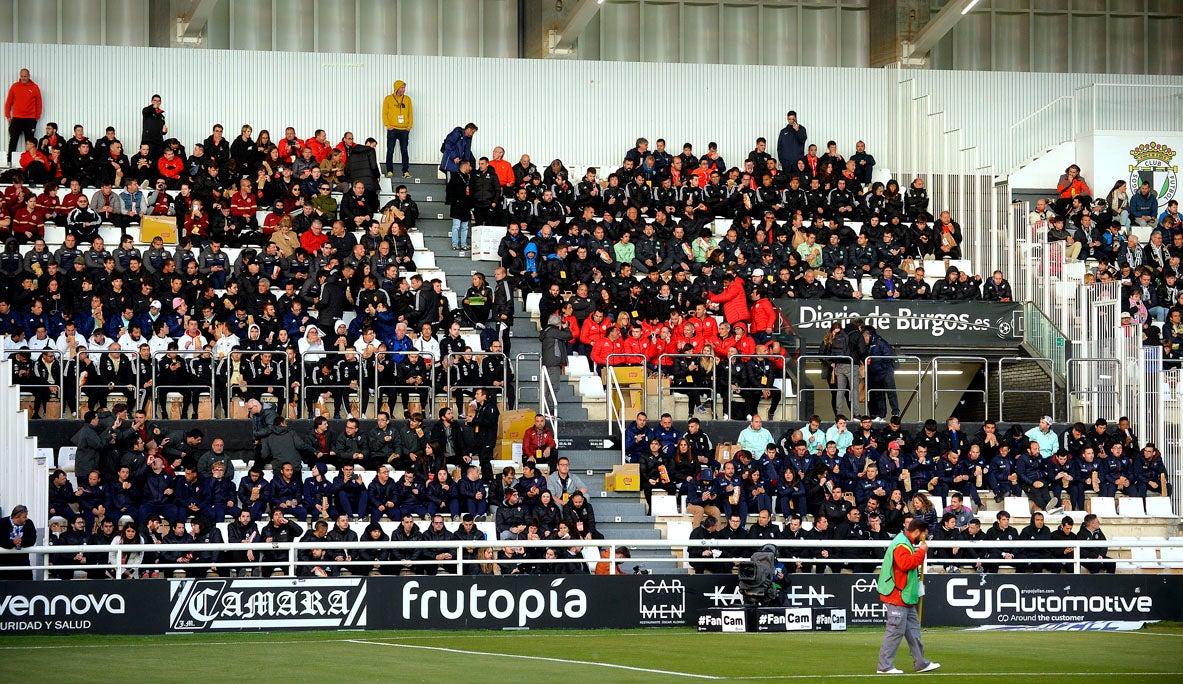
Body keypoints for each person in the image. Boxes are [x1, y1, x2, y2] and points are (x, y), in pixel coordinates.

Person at [876, 518, 939, 675]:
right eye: (923, 535)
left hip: (905, 595)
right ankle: (884, 666)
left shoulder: (904, 541)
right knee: (895, 630)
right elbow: (905, 564)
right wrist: (922, 551)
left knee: (913, 630)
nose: (923, 539)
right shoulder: (902, 544)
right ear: (917, 531)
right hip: (897, 594)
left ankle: (921, 663)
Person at [5, 68, 41, 166]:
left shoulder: (35, 87)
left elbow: (39, 103)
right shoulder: (15, 86)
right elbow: (8, 102)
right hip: (17, 118)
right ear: (19, 76)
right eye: (22, 76)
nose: (23, 78)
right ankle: (9, 161)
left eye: (25, 76)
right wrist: (8, 116)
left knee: (30, 142)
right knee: (13, 140)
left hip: (30, 119)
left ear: (29, 76)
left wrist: (36, 117)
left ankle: (30, 162)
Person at [382, 79, 413, 178]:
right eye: (402, 87)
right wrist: (388, 125)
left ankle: (405, 171)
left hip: (404, 130)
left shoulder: (407, 99)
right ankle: (389, 171)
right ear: (397, 88)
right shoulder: (388, 99)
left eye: (404, 87)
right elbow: (384, 113)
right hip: (392, 129)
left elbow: (410, 114)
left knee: (404, 150)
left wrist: (409, 126)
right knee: (390, 150)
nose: (404, 89)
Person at [0, 504, 36, 580]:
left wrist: (21, 541)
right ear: (17, 517)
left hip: (23, 565)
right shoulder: (2, 523)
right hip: (4, 566)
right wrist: (12, 542)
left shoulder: (29, 523)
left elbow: (32, 539)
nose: (26, 519)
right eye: (24, 517)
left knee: (25, 589)